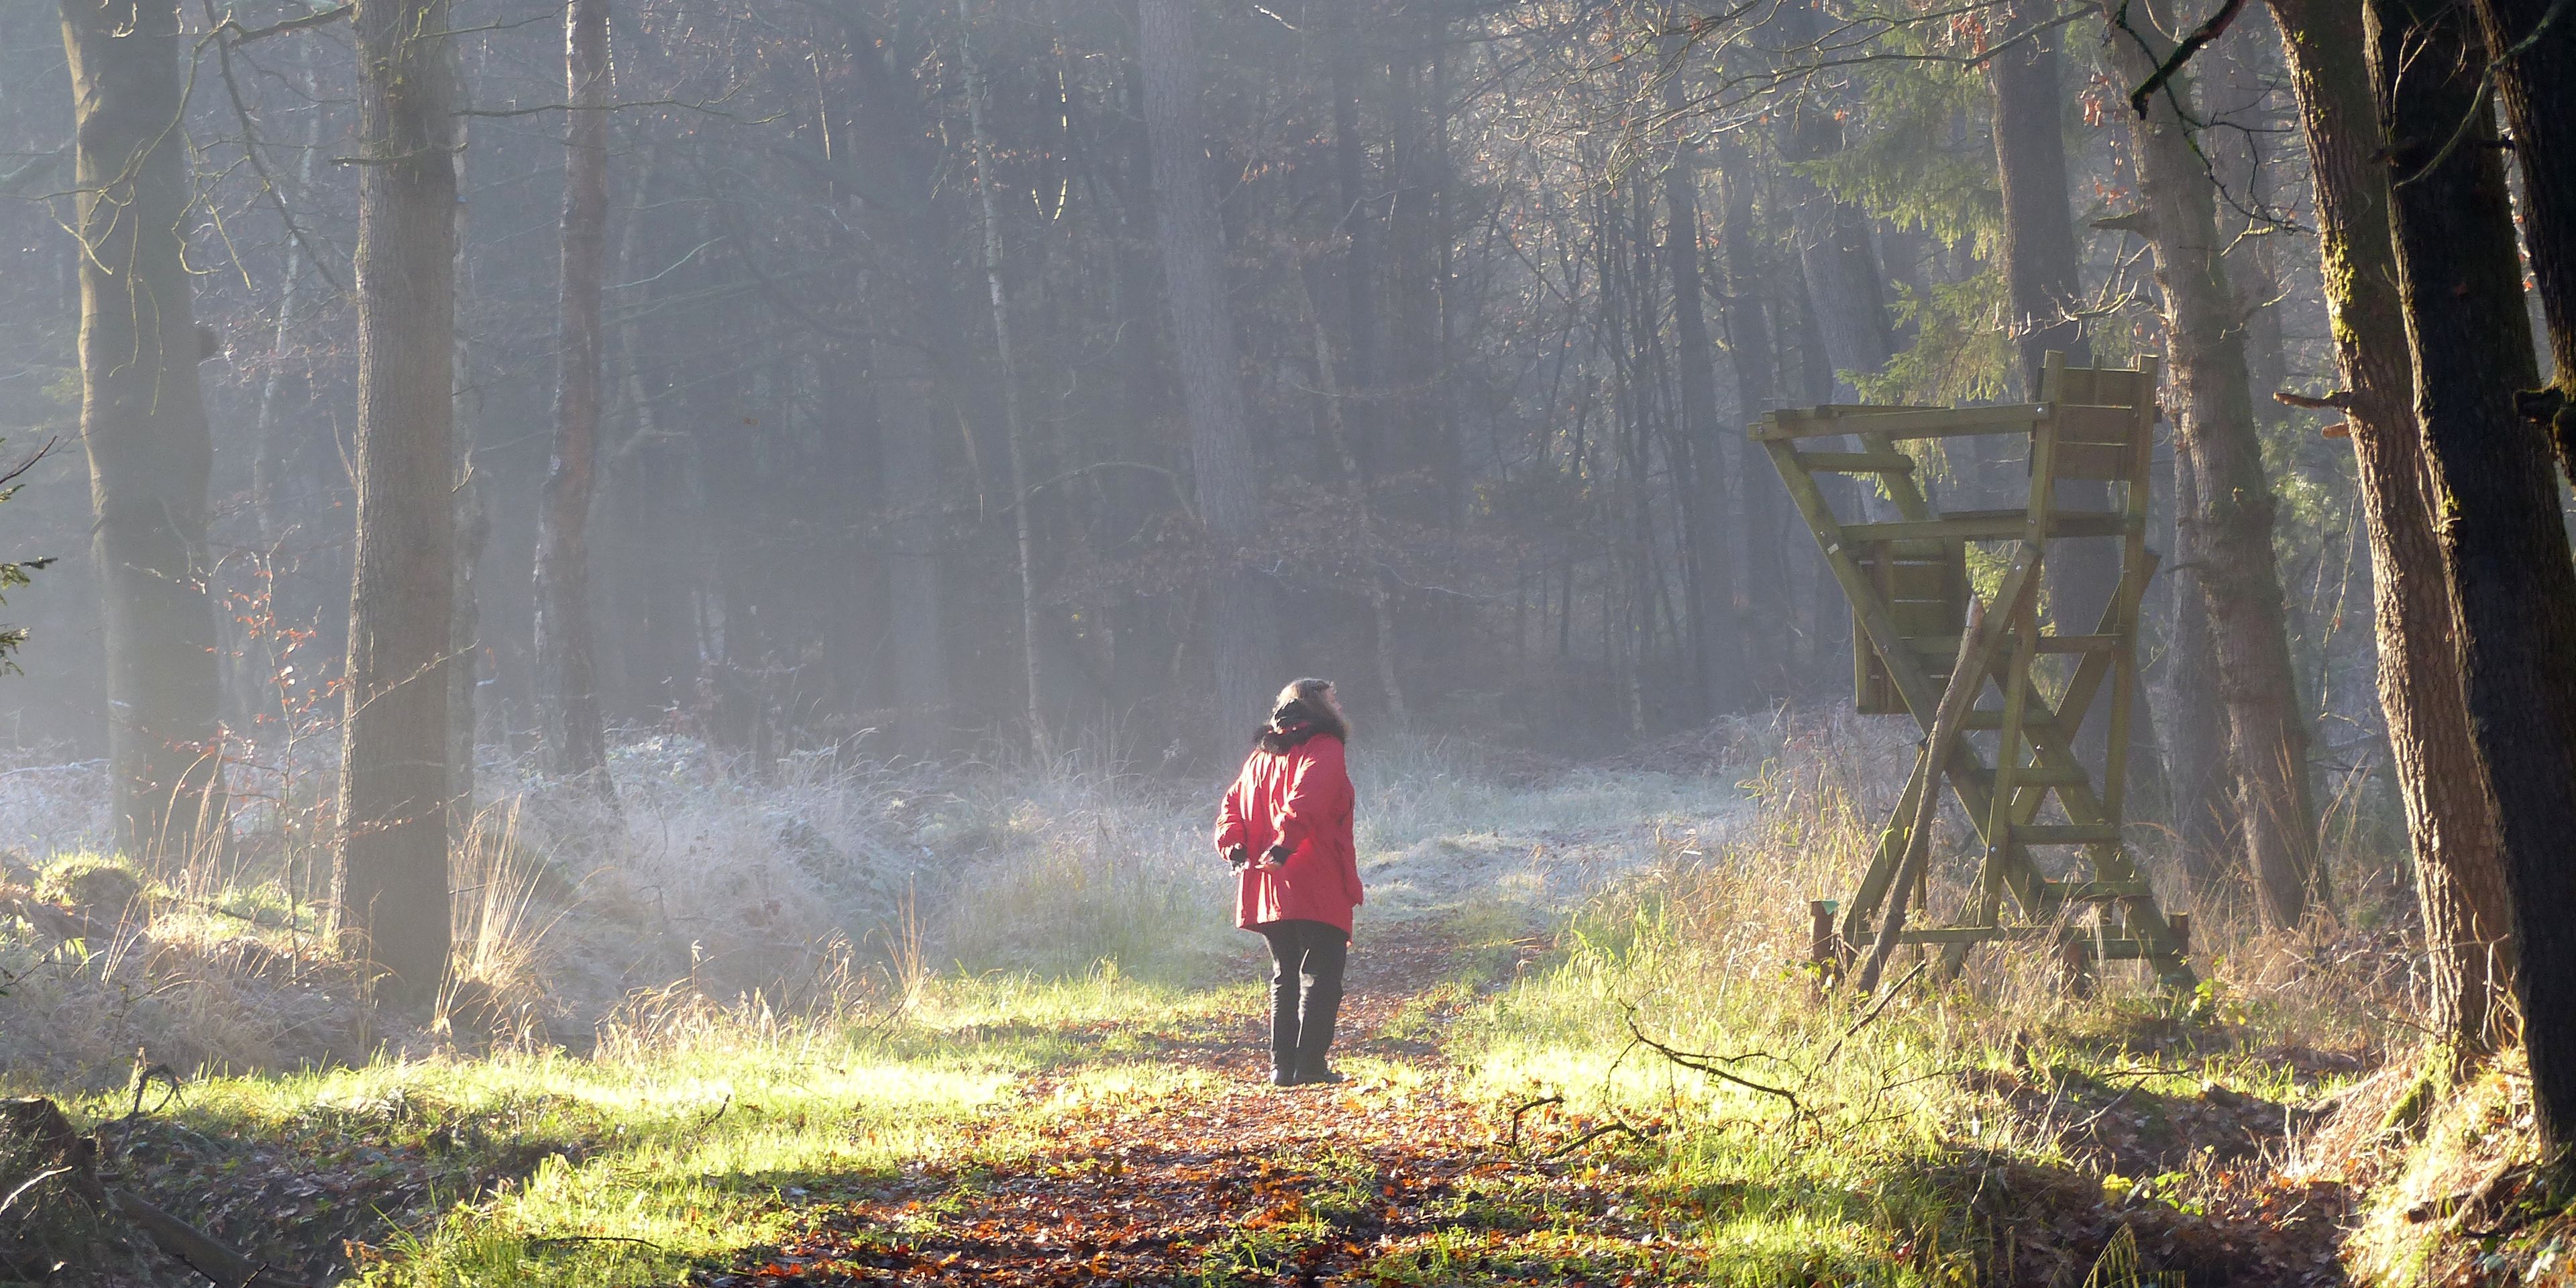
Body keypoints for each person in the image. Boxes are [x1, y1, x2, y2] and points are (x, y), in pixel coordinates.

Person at [1215, 678, 1364, 1087]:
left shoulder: (1261, 756)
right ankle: (1311, 1065)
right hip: (1312, 875)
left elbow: (1232, 805)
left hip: (1265, 883)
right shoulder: (1325, 747)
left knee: (1285, 972)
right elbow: (1309, 798)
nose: (1339, 703)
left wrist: (1235, 848)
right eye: (1333, 698)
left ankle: (1282, 1067)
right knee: (1322, 971)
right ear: (1318, 705)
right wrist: (1283, 847)